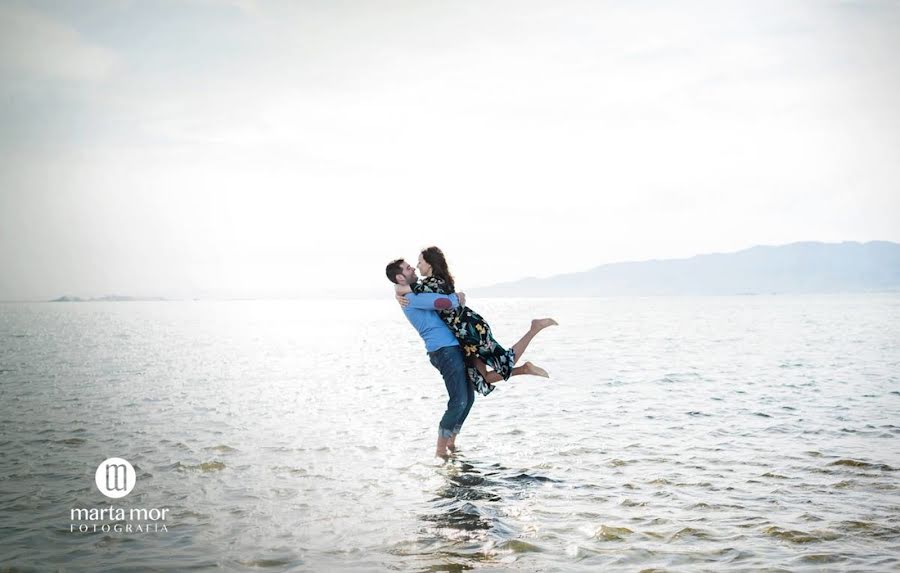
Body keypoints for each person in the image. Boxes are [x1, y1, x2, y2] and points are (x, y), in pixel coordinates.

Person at [394, 246, 557, 396]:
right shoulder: (437, 281)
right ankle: (524, 369)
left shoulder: (433, 283)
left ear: (429, 264)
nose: (417, 265)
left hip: (471, 331)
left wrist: (397, 293)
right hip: (465, 334)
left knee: (503, 361)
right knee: (480, 378)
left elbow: (402, 288)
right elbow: (410, 290)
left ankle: (534, 328)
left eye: (420, 262)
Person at [385, 258, 474, 460]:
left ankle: (451, 443)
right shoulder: (410, 298)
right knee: (459, 400)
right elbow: (442, 303)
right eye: (408, 268)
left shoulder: (409, 292)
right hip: (443, 350)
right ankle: (440, 452)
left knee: (468, 399)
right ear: (400, 277)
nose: (413, 267)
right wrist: (457, 297)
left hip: (451, 347)